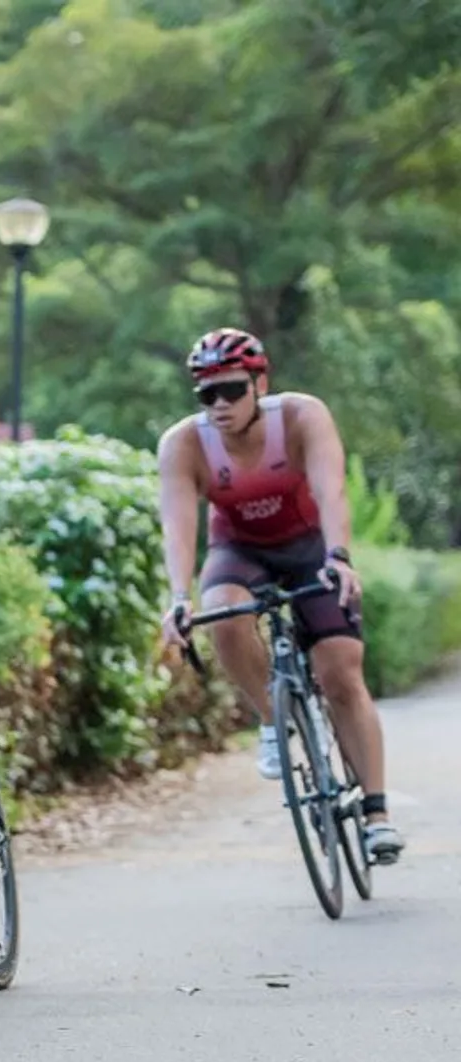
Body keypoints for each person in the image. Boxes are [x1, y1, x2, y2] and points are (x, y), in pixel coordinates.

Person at [156, 327, 404, 863]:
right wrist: (178, 596)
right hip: (239, 549)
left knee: (341, 674)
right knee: (223, 613)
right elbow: (178, 525)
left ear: (260, 385)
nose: (219, 405)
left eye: (232, 390)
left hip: (309, 546)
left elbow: (331, 491)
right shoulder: (184, 443)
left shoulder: (300, 416)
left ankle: (376, 815)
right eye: (207, 394)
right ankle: (272, 718)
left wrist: (339, 557)